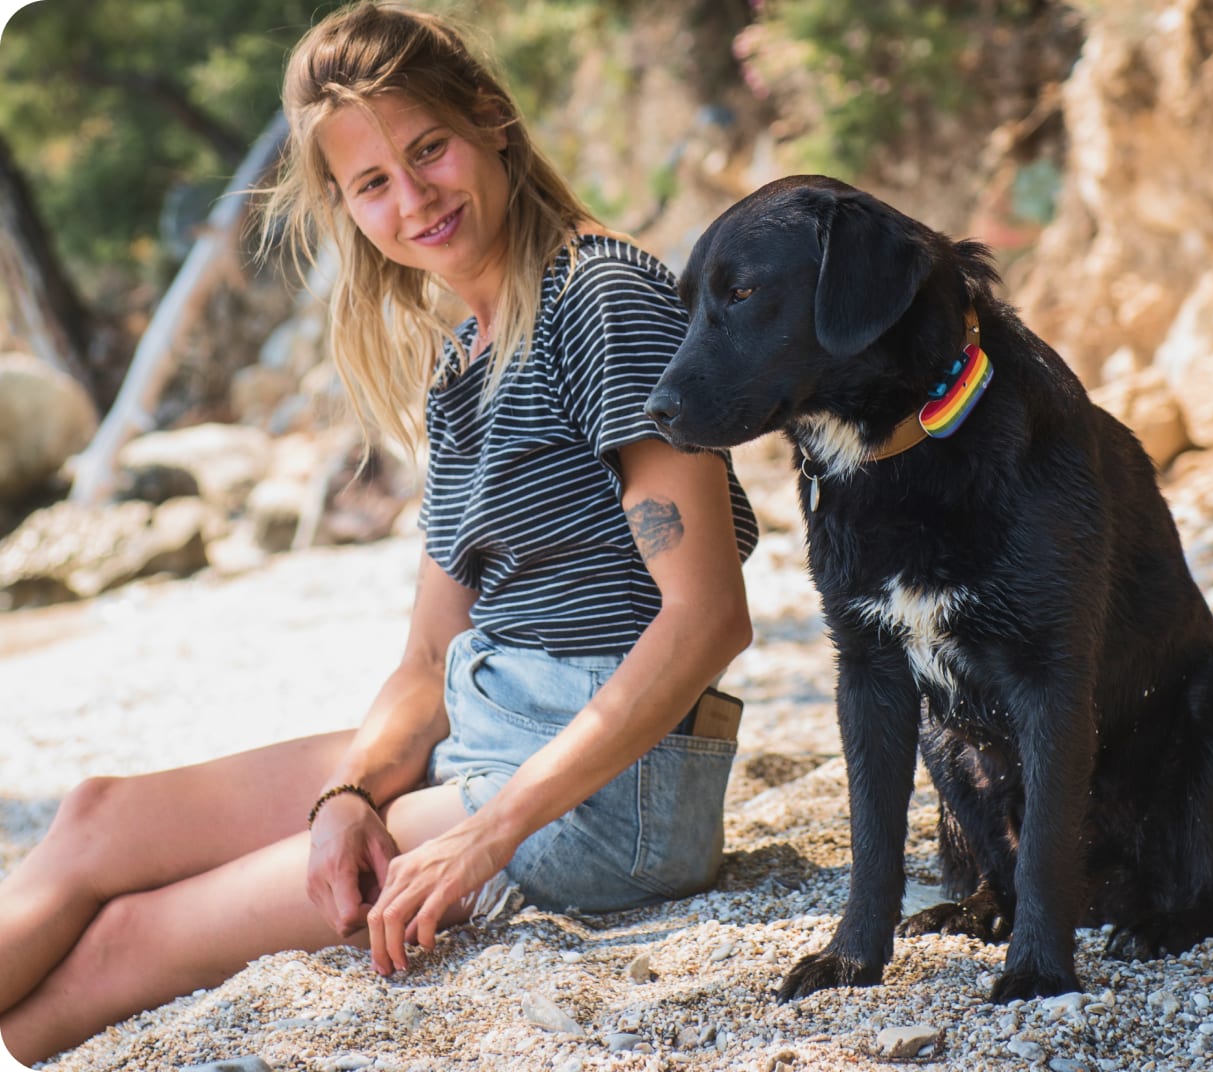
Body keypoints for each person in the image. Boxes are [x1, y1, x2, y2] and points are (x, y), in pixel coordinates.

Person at [0, 2, 757, 1063]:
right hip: (487, 722)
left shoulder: (601, 300)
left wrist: (487, 833)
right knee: (95, 819)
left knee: (134, 934)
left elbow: (707, 618)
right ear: (345, 208)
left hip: (610, 795)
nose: (412, 199)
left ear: (490, 120)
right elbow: (426, 654)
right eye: (371, 184)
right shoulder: (464, 363)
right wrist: (351, 793)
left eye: (428, 149)